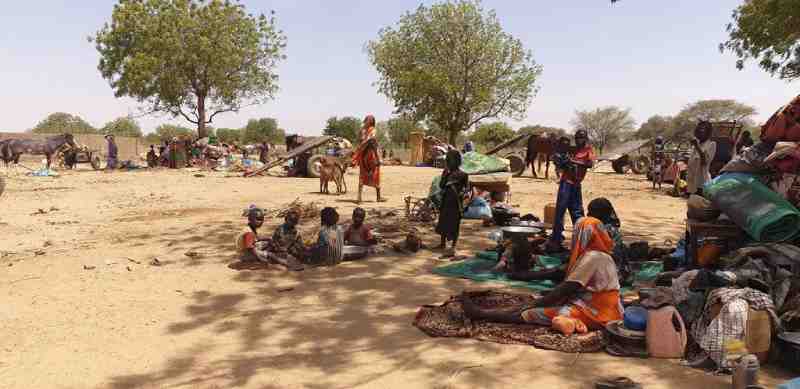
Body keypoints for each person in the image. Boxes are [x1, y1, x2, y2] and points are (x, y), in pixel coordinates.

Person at [463, 198, 623, 331]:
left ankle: (480, 314)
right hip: (604, 307)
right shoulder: (600, 254)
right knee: (545, 298)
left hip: (597, 312)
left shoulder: (592, 258)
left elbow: (567, 288)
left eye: (576, 234)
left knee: (531, 313)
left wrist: (533, 304)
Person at [545, 130, 594, 252]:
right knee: (560, 211)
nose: (579, 140)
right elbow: (559, 160)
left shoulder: (588, 150)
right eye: (577, 138)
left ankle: (581, 240)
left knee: (577, 212)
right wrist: (561, 159)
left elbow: (590, 164)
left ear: (585, 139)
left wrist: (572, 161)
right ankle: (556, 240)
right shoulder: (571, 150)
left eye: (581, 138)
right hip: (566, 183)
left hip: (576, 184)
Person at [436, 150, 469, 258]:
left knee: (455, 224)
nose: (447, 162)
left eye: (448, 160)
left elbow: (467, 189)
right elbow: (441, 186)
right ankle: (442, 243)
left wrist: (463, 195)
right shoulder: (447, 173)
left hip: (456, 203)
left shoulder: (463, 174)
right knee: (443, 221)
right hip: (446, 201)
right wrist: (445, 174)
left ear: (455, 161)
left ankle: (453, 246)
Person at [351, 115, 386, 203]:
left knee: (376, 174)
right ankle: (359, 198)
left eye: (369, 121)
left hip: (370, 152)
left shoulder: (372, 129)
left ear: (371, 122)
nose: (367, 122)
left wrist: (364, 142)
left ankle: (378, 197)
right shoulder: (363, 130)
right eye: (367, 120)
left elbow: (370, 139)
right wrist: (364, 142)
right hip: (366, 153)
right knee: (363, 175)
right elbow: (364, 139)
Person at [687, 121, 717, 196]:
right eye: (699, 129)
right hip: (692, 183)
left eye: (703, 129)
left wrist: (697, 147)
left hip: (701, 183)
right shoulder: (696, 145)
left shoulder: (711, 144)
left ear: (708, 132)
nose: (700, 131)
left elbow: (705, 162)